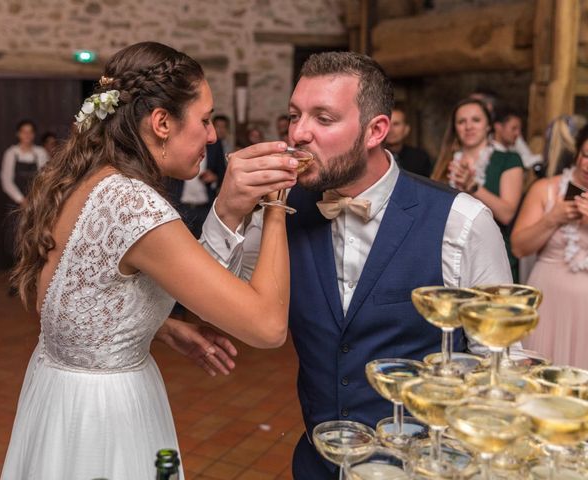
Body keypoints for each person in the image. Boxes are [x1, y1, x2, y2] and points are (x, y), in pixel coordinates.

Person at [200, 51, 512, 478]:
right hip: (317, 463)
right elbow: (212, 298)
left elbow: (499, 367)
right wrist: (228, 210)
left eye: (323, 119)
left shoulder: (462, 222)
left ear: (375, 130)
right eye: (295, 116)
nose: (299, 133)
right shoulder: (281, 212)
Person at [2, 42, 295, 480]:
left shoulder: (85, 176)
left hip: (58, 394)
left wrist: (152, 324)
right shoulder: (132, 204)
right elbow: (269, 327)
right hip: (104, 415)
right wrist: (275, 203)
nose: (213, 135)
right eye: (205, 119)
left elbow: (75, 300)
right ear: (162, 123)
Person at [511, 125, 588, 368]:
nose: (587, 165)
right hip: (549, 304)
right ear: (577, 153)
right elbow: (519, 248)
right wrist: (552, 218)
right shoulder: (545, 189)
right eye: (586, 155)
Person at [432, 98, 524, 282]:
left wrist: (472, 187)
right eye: (461, 121)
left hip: (492, 255)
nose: (469, 126)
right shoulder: (444, 163)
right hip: (447, 255)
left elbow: (507, 213)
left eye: (476, 120)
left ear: (488, 125)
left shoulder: (508, 160)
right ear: (455, 128)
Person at [0, 120, 50, 277]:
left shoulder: (40, 153)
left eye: (30, 132)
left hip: (37, 203)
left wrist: (35, 199)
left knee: (35, 238)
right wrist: (21, 200)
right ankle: (17, 277)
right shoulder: (11, 153)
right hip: (17, 203)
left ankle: (35, 276)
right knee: (15, 240)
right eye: (24, 131)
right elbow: (6, 180)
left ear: (33, 135)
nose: (27, 135)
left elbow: (46, 177)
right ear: (18, 134)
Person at [385, 106, 432, 177]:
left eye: (396, 124)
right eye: (388, 124)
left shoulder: (420, 158)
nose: (391, 130)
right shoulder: (373, 158)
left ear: (406, 129)